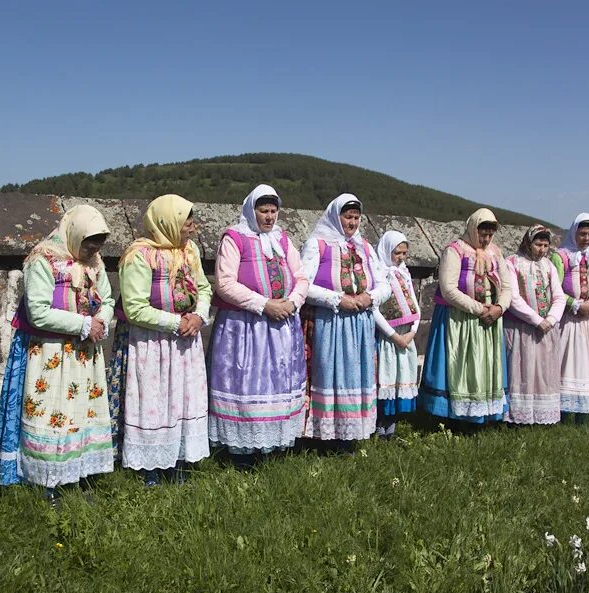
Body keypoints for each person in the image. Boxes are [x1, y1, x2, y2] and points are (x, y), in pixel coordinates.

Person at [0, 205, 115, 503]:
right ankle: (46, 481)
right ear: (74, 233)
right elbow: (38, 312)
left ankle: (77, 473)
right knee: (52, 414)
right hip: (50, 353)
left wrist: (101, 320)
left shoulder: (93, 261)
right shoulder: (43, 259)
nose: (95, 246)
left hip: (84, 354)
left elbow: (107, 298)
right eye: (90, 239)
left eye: (100, 239)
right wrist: (84, 323)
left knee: (80, 415)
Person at [111, 194, 212, 485]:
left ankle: (178, 461)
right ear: (168, 223)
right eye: (186, 223)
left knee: (182, 399)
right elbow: (134, 307)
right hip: (150, 342)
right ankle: (149, 468)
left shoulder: (188, 250)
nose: (192, 228)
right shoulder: (139, 255)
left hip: (184, 339)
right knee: (153, 401)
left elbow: (203, 288)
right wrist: (175, 322)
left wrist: (198, 317)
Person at [208, 185, 308, 469]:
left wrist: (292, 302)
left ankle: (274, 444)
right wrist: (264, 304)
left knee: (277, 383)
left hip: (281, 326)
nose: (269, 217)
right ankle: (242, 453)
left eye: (273, 211)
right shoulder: (235, 238)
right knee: (247, 384)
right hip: (246, 327)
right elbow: (225, 283)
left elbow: (301, 277)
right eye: (263, 211)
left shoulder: (283, 240)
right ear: (251, 210)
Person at [299, 194, 389, 453]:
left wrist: (368, 297)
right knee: (327, 374)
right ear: (335, 216)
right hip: (329, 323)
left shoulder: (365, 248)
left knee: (353, 378)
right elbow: (303, 284)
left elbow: (384, 285)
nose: (352, 222)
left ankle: (348, 436)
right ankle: (320, 438)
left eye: (356, 218)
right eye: (347, 217)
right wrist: (338, 300)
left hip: (359, 325)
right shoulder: (317, 245)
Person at [419, 208, 511, 424]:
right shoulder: (455, 250)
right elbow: (449, 288)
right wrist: (479, 309)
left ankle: (482, 413)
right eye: (483, 233)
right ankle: (455, 416)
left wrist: (499, 308)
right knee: (460, 365)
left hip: (489, 320)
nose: (486, 239)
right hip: (459, 319)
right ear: (473, 228)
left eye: (490, 234)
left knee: (483, 364)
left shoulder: (495, 253)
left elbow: (507, 286)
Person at [549, 213, 589, 423]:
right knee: (569, 363)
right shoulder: (561, 257)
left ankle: (583, 416)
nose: (586, 238)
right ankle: (563, 414)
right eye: (582, 233)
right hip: (570, 320)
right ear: (574, 232)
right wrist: (575, 304)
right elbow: (555, 288)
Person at [503, 225, 566, 425]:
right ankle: (517, 416)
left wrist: (551, 319)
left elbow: (558, 295)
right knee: (521, 369)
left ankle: (540, 414)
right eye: (538, 244)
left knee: (543, 371)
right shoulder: (513, 263)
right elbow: (513, 297)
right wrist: (536, 320)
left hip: (546, 328)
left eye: (546, 245)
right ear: (528, 243)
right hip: (521, 327)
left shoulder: (548, 266)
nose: (542, 249)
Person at [372, 231, 421, 439]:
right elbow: (374, 308)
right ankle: (379, 425)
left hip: (405, 335)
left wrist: (413, 330)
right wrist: (393, 335)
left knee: (401, 378)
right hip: (388, 337)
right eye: (396, 253)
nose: (400, 257)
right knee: (386, 377)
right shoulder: (379, 273)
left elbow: (414, 302)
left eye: (404, 253)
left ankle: (391, 426)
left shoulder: (404, 273)